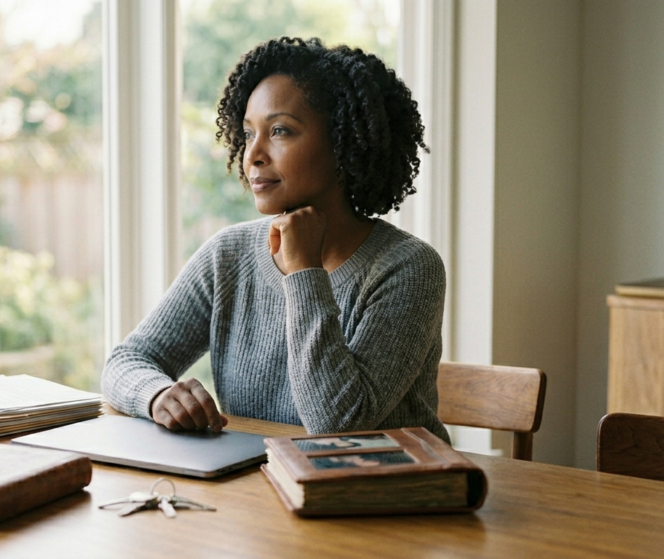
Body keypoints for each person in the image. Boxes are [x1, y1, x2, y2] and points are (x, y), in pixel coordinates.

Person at [101, 37, 449, 443]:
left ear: (344, 141)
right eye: (249, 133)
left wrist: (303, 271)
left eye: (280, 131)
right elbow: (127, 360)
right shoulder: (228, 255)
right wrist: (157, 394)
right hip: (260, 479)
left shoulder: (408, 267)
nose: (253, 155)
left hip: (389, 481)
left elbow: (337, 426)